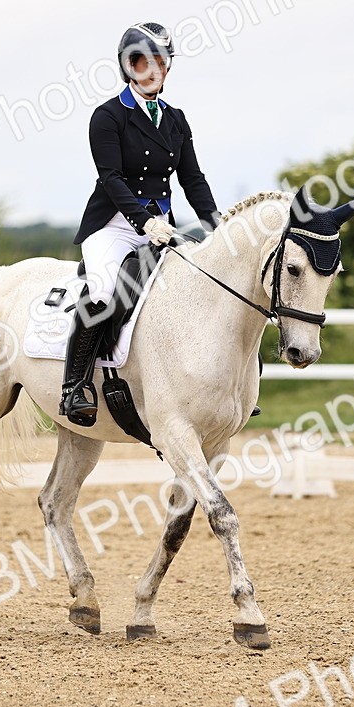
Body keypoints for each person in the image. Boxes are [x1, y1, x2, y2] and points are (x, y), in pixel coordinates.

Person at [58, 21, 224, 427]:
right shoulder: (108, 117)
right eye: (142, 63)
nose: (153, 71)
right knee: (102, 291)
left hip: (162, 227)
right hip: (114, 225)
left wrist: (219, 227)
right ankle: (75, 386)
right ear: (127, 66)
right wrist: (144, 222)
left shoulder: (176, 119)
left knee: (206, 290)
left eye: (160, 63)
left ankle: (223, 386)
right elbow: (111, 178)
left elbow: (193, 179)